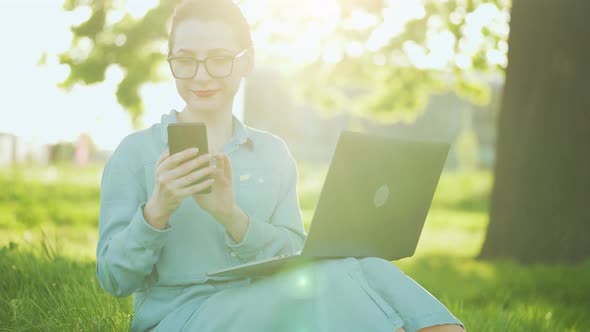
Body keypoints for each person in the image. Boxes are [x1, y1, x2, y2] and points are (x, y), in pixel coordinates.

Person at [96, 1, 466, 331]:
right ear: (171, 60)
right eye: (186, 59)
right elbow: (114, 279)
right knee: (335, 278)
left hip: (267, 304)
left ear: (247, 61)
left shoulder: (272, 154)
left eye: (219, 58)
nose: (201, 75)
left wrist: (232, 218)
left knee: (370, 266)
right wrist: (157, 211)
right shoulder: (136, 154)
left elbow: (294, 250)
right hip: (182, 317)